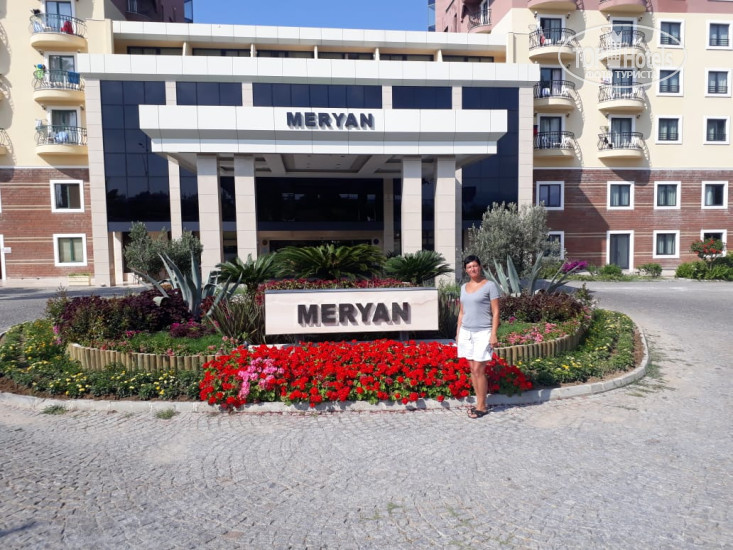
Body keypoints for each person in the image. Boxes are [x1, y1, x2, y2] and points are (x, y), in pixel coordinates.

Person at [456, 255, 500, 419]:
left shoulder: (490, 286)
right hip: (466, 332)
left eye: (475, 266)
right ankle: (478, 403)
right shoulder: (463, 287)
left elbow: (496, 311)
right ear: (466, 270)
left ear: (480, 267)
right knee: (472, 370)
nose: (472, 269)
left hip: (483, 332)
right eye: (469, 267)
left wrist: (493, 334)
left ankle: (482, 406)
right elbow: (462, 312)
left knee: (478, 369)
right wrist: (458, 332)